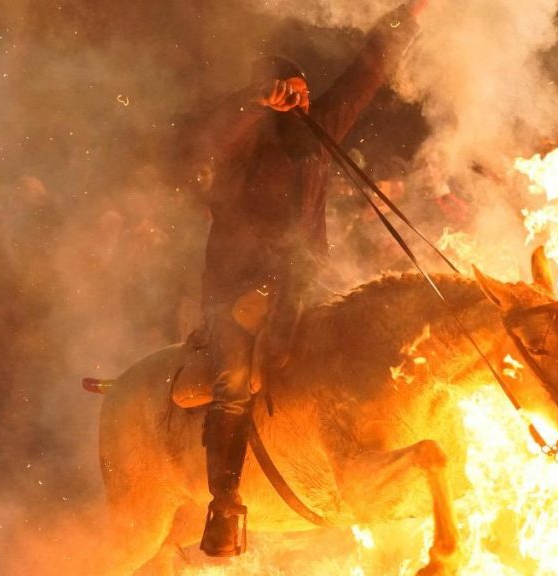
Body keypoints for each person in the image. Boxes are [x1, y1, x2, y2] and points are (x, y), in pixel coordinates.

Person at [186, 0, 430, 557]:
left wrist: (409, 15)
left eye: (300, 90)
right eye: (285, 92)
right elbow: (210, 133)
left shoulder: (317, 128)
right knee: (234, 378)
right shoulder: (241, 139)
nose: (297, 100)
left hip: (306, 281)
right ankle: (224, 503)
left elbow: (367, 71)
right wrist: (253, 99)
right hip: (237, 285)